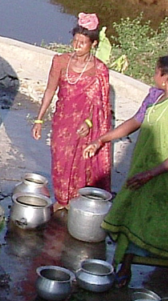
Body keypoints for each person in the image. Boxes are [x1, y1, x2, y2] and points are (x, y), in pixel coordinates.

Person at [83, 55, 168, 300]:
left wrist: (151, 174)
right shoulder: (154, 95)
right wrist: (102, 139)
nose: (153, 76)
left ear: (167, 78)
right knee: (134, 217)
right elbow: (135, 121)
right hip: (142, 170)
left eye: (156, 72)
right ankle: (125, 268)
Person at [31, 12, 112, 211]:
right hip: (62, 121)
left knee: (81, 163)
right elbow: (50, 90)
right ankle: (62, 200)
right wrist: (39, 120)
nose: (76, 46)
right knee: (60, 157)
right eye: (75, 41)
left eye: (82, 43)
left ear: (93, 44)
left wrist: (89, 123)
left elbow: (101, 105)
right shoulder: (60, 61)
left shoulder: (99, 70)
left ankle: (77, 201)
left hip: (84, 126)